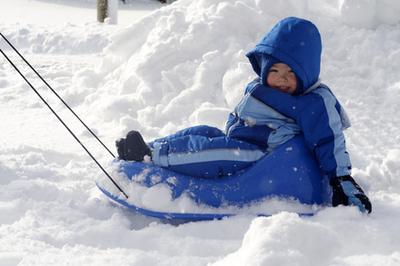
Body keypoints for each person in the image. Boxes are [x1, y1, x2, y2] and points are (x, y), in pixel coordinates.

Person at [116, 17, 372, 213]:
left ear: (307, 73)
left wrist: (342, 180)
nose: (281, 80)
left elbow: (330, 139)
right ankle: (149, 147)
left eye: (291, 73)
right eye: (275, 71)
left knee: (218, 153)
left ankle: (152, 157)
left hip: (267, 155)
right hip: (246, 141)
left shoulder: (314, 102)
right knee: (203, 133)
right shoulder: (262, 87)